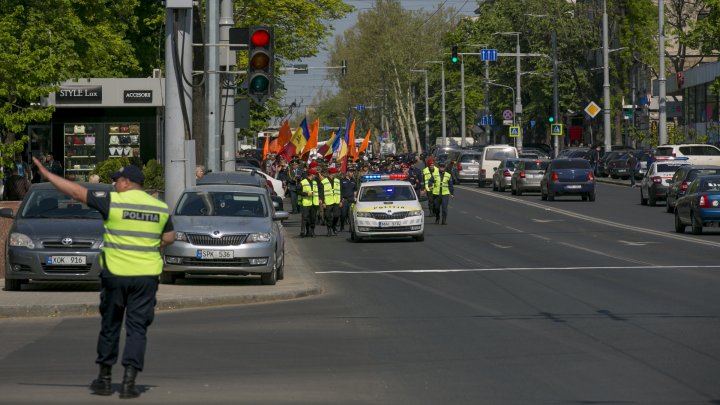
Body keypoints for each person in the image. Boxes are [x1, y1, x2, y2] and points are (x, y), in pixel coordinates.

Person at [31, 157, 174, 399]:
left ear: (127, 183)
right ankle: (130, 382)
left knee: (110, 326)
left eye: (116, 181)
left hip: (116, 275)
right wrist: (148, 245)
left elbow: (77, 192)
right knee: (137, 329)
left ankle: (105, 379)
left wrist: (48, 173)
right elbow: (170, 237)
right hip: (146, 277)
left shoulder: (114, 202)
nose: (114, 185)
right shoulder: (158, 207)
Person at [321, 167, 341, 236]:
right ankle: (329, 229)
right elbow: (322, 193)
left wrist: (341, 200)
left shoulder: (337, 181)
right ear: (332, 173)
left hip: (336, 200)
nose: (336, 174)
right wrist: (323, 202)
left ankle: (333, 226)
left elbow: (340, 191)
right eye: (335, 173)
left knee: (336, 215)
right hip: (328, 201)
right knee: (327, 216)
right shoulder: (324, 181)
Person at [299, 168, 320, 237]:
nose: (315, 176)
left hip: (314, 203)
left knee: (313, 218)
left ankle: (312, 231)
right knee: (305, 218)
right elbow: (298, 191)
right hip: (306, 202)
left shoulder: (315, 182)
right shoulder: (303, 182)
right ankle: (303, 231)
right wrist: (306, 194)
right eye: (314, 175)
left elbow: (317, 192)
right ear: (311, 174)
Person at [339, 167, 357, 232]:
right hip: (344, 200)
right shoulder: (342, 180)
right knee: (343, 214)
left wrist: (355, 199)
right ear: (347, 173)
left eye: (353, 172)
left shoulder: (354, 181)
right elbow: (340, 191)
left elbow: (355, 191)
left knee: (351, 215)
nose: (352, 173)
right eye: (351, 172)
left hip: (351, 200)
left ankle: (351, 227)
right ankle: (342, 226)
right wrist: (340, 200)